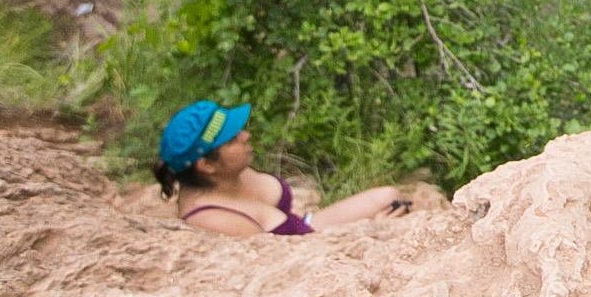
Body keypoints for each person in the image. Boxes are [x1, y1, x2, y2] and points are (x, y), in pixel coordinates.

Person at [154, 101, 411, 237]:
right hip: (310, 254)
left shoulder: (227, 171)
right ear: (206, 165)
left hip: (307, 228)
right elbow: (285, 267)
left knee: (390, 198)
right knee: (397, 220)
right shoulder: (211, 219)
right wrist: (367, 233)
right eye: (232, 139)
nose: (245, 135)